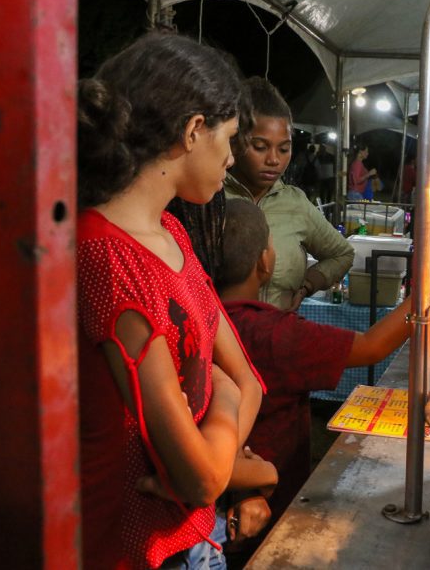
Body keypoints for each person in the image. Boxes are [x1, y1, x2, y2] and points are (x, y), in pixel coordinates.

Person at [75, 32, 271, 568]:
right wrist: (225, 401)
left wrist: (214, 457)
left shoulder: (172, 235)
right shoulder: (106, 258)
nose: (231, 158)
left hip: (192, 535)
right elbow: (203, 477)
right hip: (133, 550)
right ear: (192, 131)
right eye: (229, 139)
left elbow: (250, 383)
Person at [214, 199, 430, 556]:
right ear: (265, 262)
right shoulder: (273, 333)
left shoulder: (201, 317)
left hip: (221, 489)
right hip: (269, 500)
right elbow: (372, 346)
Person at [224, 77, 354, 311]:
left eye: (284, 148)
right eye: (260, 147)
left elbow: (342, 254)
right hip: (217, 331)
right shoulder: (210, 196)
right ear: (234, 142)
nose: (274, 159)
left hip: (279, 328)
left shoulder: (295, 203)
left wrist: (307, 285)